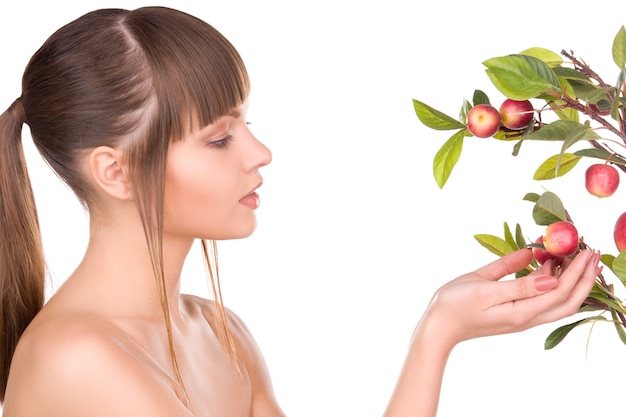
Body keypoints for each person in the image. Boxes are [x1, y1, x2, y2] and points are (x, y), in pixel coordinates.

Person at [0, 6, 600, 417]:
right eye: (218, 138)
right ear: (117, 171)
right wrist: (437, 335)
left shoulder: (220, 331)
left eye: (247, 124)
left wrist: (440, 330)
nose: (261, 153)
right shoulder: (75, 359)